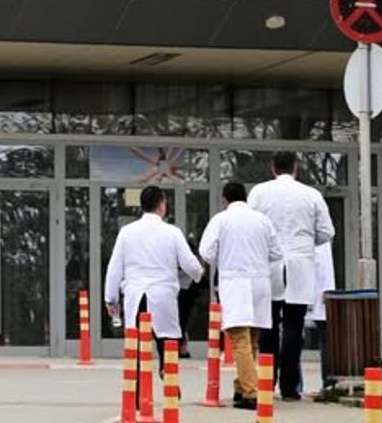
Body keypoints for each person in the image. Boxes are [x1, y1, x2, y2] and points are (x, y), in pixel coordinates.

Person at [247, 151, 334, 401]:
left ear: (273, 168)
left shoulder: (259, 193)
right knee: (294, 326)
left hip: (270, 264)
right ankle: (289, 386)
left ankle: (267, 381)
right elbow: (326, 232)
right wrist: (306, 242)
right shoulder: (311, 195)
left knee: (268, 325)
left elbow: (252, 227)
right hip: (300, 264)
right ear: (296, 168)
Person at [199, 181, 284, 411]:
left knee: (239, 340)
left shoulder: (221, 220)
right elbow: (277, 252)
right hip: (260, 283)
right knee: (252, 340)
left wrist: (226, 255)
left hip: (235, 282)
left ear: (225, 199)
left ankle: (251, 391)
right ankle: (241, 385)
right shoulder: (262, 220)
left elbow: (206, 252)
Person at [104, 186, 203, 376]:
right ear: (161, 205)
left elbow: (114, 268)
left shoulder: (127, 232)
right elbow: (189, 263)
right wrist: (199, 274)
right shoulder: (172, 232)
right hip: (163, 294)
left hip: (136, 294)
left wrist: (111, 299)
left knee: (136, 345)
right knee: (167, 340)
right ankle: (169, 379)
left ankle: (136, 388)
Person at [308, 242, 336, 394]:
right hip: (308, 292)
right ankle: (293, 386)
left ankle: (328, 381)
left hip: (316, 294)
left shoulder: (321, 241)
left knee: (325, 339)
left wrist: (327, 289)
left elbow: (325, 265)